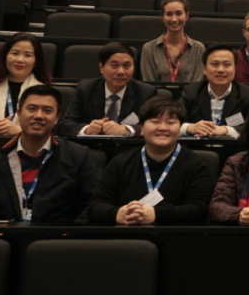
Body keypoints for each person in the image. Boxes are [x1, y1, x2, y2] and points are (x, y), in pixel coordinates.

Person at [0, 86, 100, 224]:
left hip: (57, 241)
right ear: (19, 114)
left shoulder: (79, 157)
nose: (38, 116)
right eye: (31, 108)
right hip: (6, 239)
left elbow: (91, 206)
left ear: (57, 118)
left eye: (47, 111)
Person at [89, 96, 215, 225]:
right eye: (155, 121)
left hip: (176, 238)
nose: (162, 127)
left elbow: (199, 210)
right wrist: (117, 213)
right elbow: (95, 206)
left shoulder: (196, 165)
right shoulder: (120, 162)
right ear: (142, 128)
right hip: (126, 238)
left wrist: (156, 214)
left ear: (179, 129)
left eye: (171, 122)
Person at [60, 42, 156, 137]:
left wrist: (127, 129)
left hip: (129, 149)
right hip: (91, 148)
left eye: (127, 66)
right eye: (114, 65)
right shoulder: (86, 89)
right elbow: (66, 124)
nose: (121, 72)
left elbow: (154, 125)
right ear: (101, 68)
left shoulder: (145, 92)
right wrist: (87, 129)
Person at [179, 45, 249, 139]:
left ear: (235, 68)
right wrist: (191, 128)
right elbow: (174, 122)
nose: (220, 70)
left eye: (227, 64)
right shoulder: (191, 92)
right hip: (197, 148)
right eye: (215, 64)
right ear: (204, 69)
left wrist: (227, 130)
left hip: (234, 148)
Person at [139, 0, 205, 84]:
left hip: (191, 97)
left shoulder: (199, 48)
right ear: (163, 17)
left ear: (187, 16)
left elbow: (197, 84)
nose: (174, 19)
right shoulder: (148, 48)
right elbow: (148, 85)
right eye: (169, 14)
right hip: (157, 97)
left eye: (178, 13)